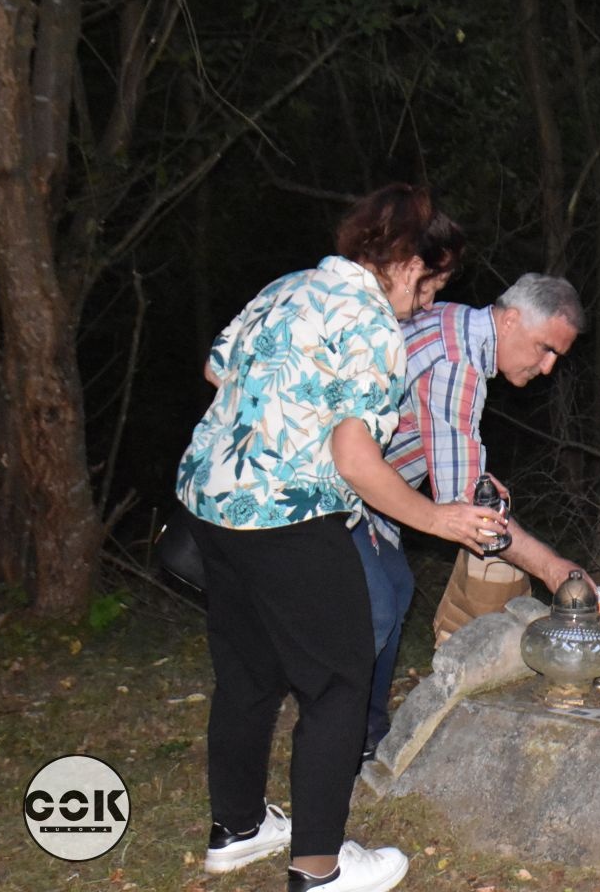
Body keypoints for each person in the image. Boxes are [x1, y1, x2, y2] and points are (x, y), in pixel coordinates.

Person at [175, 184, 502, 892]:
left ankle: (237, 828)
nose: (426, 301)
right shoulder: (373, 324)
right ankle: (320, 868)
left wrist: (281, 410)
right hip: (287, 516)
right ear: (410, 263)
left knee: (248, 674)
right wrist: (437, 517)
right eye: (432, 283)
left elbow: (215, 368)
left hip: (213, 504)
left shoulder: (286, 288)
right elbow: (356, 460)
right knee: (339, 684)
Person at [360, 273, 589, 760]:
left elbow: (449, 456)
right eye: (545, 348)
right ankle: (345, 731)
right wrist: (553, 568)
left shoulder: (453, 321)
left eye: (557, 356)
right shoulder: (457, 365)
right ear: (510, 320)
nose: (548, 367)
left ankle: (368, 732)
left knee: (395, 588)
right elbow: (467, 509)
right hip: (333, 494)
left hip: (370, 503)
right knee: (374, 607)